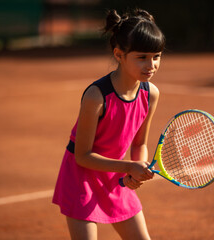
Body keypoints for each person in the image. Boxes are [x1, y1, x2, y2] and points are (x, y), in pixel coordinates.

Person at [52, 8, 165, 240]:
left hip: (115, 177)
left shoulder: (151, 94)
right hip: (81, 177)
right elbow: (82, 156)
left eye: (156, 56)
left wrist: (138, 167)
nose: (151, 64)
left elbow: (140, 142)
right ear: (119, 54)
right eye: (141, 57)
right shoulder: (96, 96)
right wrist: (128, 168)